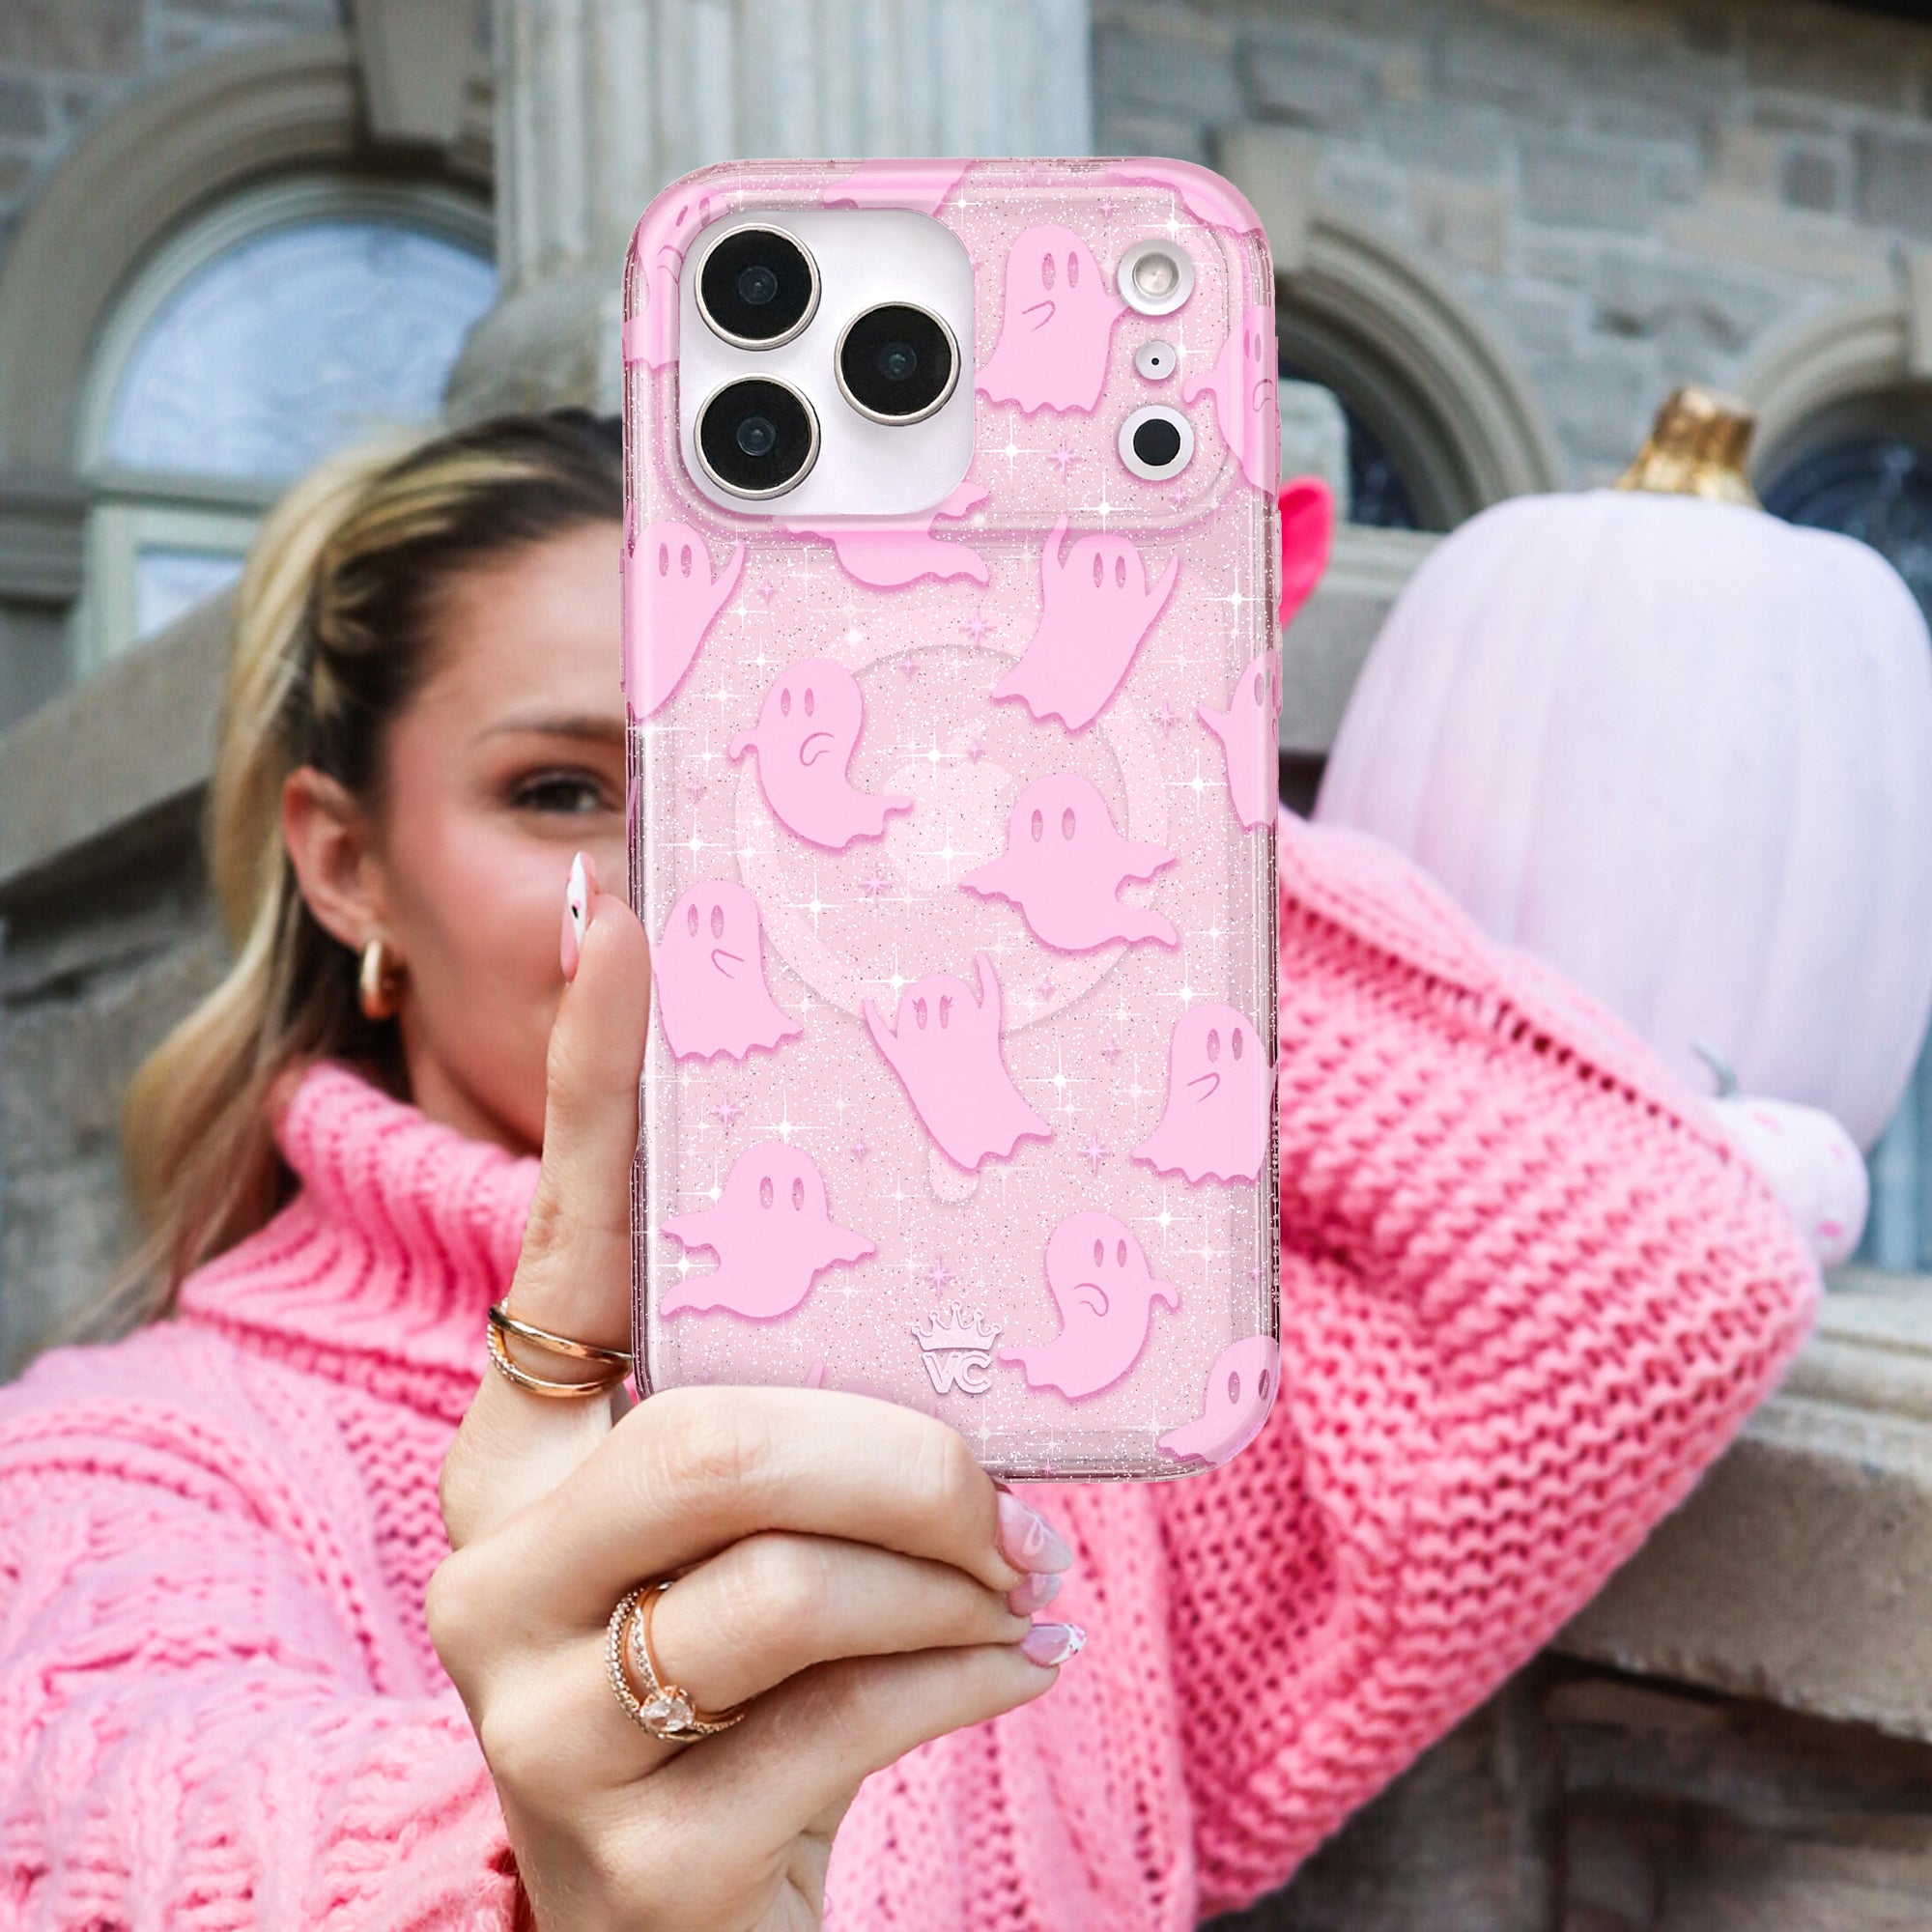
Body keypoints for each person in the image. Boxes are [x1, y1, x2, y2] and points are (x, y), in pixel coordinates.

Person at [0, 410, 1817, 1931]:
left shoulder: (1059, 1379)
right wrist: (542, 1876)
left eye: (764, 773)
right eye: (566, 789)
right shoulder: (125, 1460)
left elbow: (1656, 1274)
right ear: (345, 865)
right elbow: (151, 1815)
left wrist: (1103, 777)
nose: (708, 877)